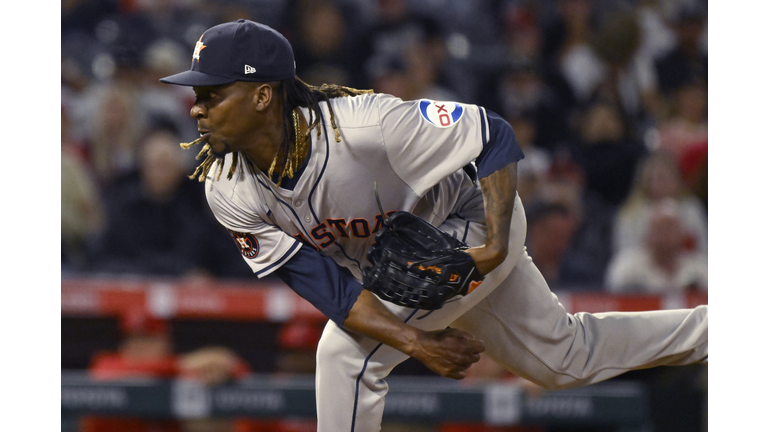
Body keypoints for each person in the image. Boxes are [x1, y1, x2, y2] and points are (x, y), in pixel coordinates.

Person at [159, 19, 707, 431]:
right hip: (400, 268)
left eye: (212, 94)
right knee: (564, 359)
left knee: (343, 356)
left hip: (470, 221)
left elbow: (492, 134)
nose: (196, 109)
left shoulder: (368, 126)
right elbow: (327, 288)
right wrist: (415, 341)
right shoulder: (225, 186)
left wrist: (493, 246)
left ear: (260, 95)